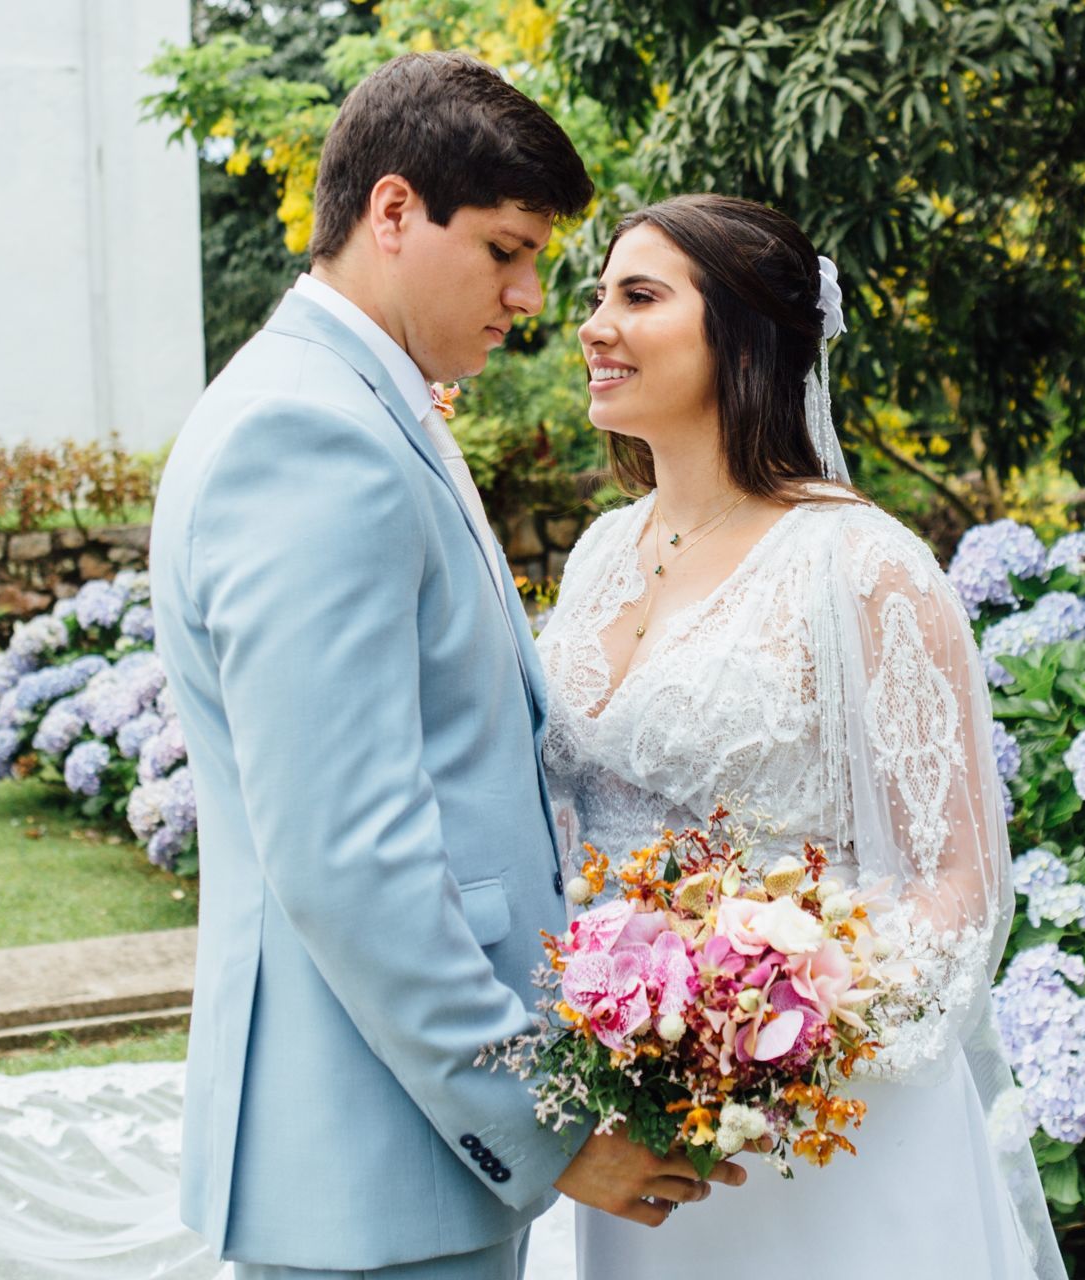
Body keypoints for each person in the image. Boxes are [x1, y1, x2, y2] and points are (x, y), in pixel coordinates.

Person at [149, 54, 746, 1280]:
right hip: (371, 1161)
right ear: (394, 212)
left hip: (396, 1154)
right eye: (506, 250)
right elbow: (346, 847)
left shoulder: (363, 403)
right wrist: (541, 1118)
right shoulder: (310, 434)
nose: (533, 295)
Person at [536, 194, 1069, 1280]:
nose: (594, 324)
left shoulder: (863, 567)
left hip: (818, 1128)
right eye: (598, 296)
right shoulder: (597, 553)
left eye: (638, 296)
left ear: (745, 334)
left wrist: (769, 1022)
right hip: (624, 1112)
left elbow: (959, 880)